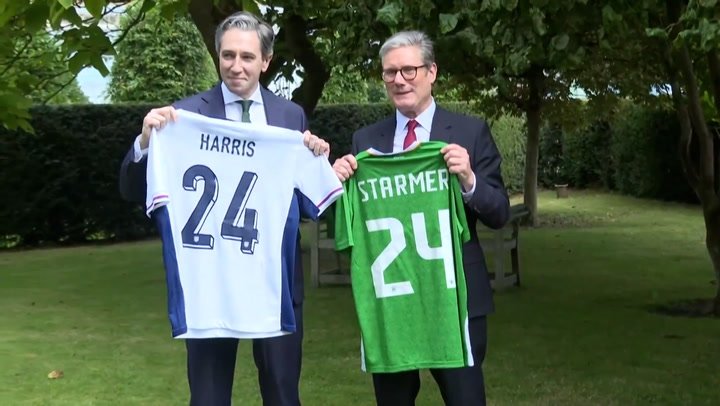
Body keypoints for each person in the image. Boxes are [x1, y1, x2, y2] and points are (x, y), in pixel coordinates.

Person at [118, 11, 329, 406]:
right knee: (209, 397)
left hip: (274, 279)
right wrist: (146, 142)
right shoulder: (184, 116)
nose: (236, 66)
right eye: (228, 55)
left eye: (247, 57)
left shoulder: (290, 116)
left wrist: (318, 161)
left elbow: (302, 205)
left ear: (266, 61)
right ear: (217, 56)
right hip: (210, 283)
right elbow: (131, 189)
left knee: (283, 394)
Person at [332, 30, 510, 405]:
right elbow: (353, 222)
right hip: (392, 301)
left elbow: (499, 213)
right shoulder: (366, 141)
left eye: (409, 70)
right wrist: (335, 184)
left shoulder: (469, 132)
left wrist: (469, 179)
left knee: (466, 399)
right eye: (389, 72)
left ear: (432, 72)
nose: (398, 80)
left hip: (457, 298)